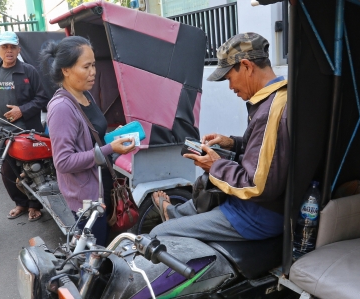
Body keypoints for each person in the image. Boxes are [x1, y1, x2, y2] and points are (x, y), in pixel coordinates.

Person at [151, 32, 289, 242]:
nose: (231, 87)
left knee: (158, 234)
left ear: (246, 66)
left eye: (229, 78)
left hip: (256, 215)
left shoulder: (271, 110)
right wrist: (233, 143)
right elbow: (270, 150)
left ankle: (174, 216)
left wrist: (215, 165)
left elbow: (255, 186)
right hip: (259, 206)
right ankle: (177, 213)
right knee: (206, 185)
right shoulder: (279, 97)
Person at [41, 36, 136, 246]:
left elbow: (93, 137)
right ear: (66, 70)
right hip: (87, 200)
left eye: (94, 65)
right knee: (93, 257)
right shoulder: (62, 108)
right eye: (86, 66)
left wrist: (113, 138)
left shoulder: (85, 95)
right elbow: (63, 161)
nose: (93, 72)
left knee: (106, 249)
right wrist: (110, 148)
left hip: (103, 187)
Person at [0, 31, 49, 221]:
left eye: (12, 47)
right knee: (7, 172)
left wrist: (21, 110)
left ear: (18, 49)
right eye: (5, 47)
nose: (9, 51)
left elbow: (42, 98)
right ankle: (20, 203)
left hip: (26, 132)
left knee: (32, 172)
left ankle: (34, 206)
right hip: (2, 133)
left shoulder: (29, 71)